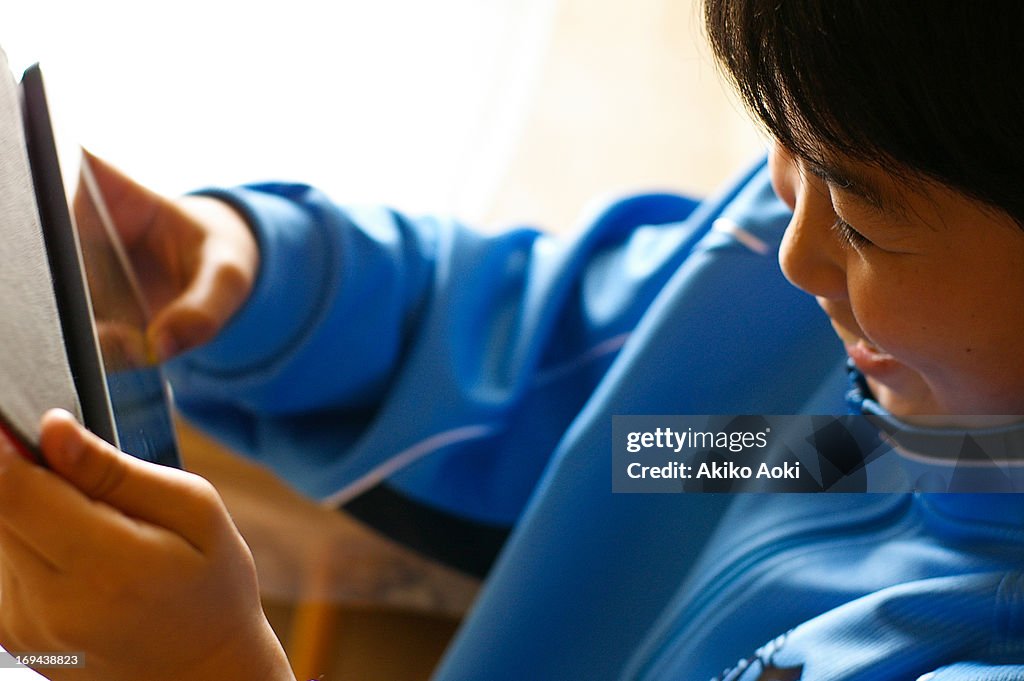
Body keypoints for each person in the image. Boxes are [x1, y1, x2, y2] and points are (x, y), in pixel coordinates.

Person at [1, 1, 1023, 679]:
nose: (789, 251)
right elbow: (623, 423)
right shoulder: (838, 432)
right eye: (782, 149)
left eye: (858, 222)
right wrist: (282, 285)